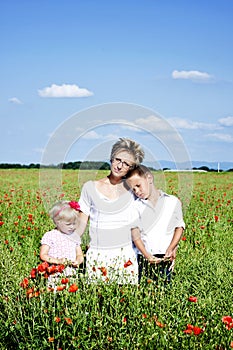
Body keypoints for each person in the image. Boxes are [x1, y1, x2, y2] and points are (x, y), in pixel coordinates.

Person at [77, 138, 145, 284]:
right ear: (111, 159)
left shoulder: (135, 190)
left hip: (126, 257)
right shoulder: (90, 187)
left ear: (132, 168)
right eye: (117, 160)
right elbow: (81, 224)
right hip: (97, 256)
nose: (119, 166)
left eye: (126, 164)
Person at [125, 165, 185, 284]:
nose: (137, 191)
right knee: (144, 293)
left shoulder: (172, 201)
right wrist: (147, 256)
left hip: (165, 256)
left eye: (138, 186)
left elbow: (179, 227)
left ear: (149, 178)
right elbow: (135, 234)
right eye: (133, 189)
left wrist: (172, 248)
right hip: (143, 256)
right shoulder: (134, 207)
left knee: (164, 291)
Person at [40, 200, 84, 288]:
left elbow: (79, 254)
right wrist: (58, 261)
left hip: (72, 274)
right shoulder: (50, 235)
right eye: (69, 224)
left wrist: (78, 261)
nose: (72, 227)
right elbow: (43, 255)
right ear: (57, 222)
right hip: (55, 275)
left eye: (74, 223)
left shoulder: (75, 237)